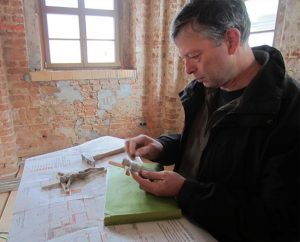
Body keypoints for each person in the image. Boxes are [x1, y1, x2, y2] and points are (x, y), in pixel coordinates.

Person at [125, 0, 300, 241]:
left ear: (231, 40)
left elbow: (275, 220)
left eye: (194, 55)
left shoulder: (290, 110)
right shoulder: (206, 88)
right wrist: (163, 147)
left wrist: (185, 190)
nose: (188, 69)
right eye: (184, 57)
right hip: (183, 222)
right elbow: (207, 146)